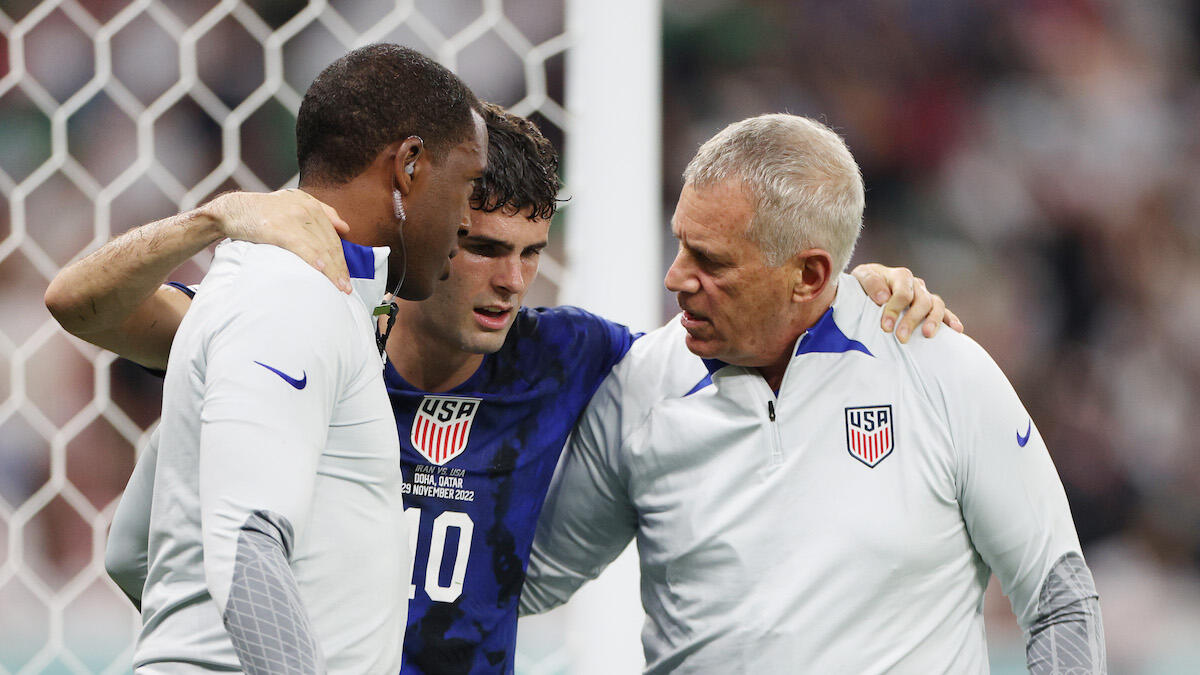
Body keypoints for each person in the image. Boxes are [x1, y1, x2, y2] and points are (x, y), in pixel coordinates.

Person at [50, 102, 956, 672]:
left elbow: (745, 341)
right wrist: (211, 221)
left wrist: (849, 292)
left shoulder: (569, 358)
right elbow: (81, 304)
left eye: (531, 252)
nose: (512, 281)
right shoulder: (315, 330)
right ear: (427, 228)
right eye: (483, 247)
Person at [519, 114, 1106, 673]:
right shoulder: (639, 387)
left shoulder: (941, 370)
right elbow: (524, 581)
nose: (675, 277)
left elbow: (1058, 600)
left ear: (809, 276)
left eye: (711, 261)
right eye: (680, 243)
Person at [46, 43, 487, 673]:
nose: (467, 219)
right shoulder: (290, 294)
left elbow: (131, 551)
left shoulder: (315, 299)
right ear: (409, 166)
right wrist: (213, 218)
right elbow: (245, 544)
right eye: (468, 184)